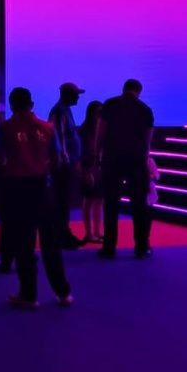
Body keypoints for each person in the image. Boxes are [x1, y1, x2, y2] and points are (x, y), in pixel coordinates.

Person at [0, 87, 73, 309]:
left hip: (17, 189)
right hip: (43, 189)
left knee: (24, 245)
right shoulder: (48, 128)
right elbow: (57, 160)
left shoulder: (5, 128)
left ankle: (29, 295)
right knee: (51, 244)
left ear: (12, 105)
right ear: (32, 104)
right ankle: (63, 293)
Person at [96, 79, 155, 259]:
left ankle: (109, 247)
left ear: (123, 89)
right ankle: (141, 247)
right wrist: (145, 162)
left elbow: (100, 133)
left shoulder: (110, 105)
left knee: (111, 203)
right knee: (139, 205)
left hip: (112, 159)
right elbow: (147, 141)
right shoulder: (145, 110)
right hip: (136, 161)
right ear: (139, 91)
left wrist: (97, 156)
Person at [48, 83, 87, 249]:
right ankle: (61, 236)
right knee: (61, 201)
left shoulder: (64, 110)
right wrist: (65, 161)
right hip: (63, 165)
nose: (78, 97)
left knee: (64, 201)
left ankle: (63, 233)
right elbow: (59, 139)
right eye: (76, 94)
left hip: (66, 164)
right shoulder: (59, 112)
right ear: (67, 94)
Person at [79, 100, 104, 244]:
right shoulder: (84, 130)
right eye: (97, 112)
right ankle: (89, 233)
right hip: (88, 167)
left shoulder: (100, 129)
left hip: (99, 168)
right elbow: (82, 152)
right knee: (88, 200)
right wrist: (86, 171)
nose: (99, 115)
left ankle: (97, 231)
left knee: (99, 200)